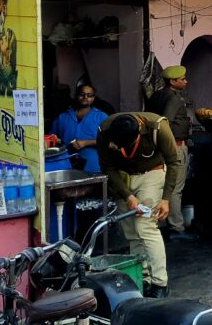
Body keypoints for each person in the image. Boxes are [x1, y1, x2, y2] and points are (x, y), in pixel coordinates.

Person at [97, 113, 182, 298]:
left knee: (145, 226)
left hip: (151, 173)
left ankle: (160, 283)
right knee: (131, 231)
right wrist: (128, 196)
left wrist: (166, 198)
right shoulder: (104, 131)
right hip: (122, 178)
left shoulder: (157, 127)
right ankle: (142, 277)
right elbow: (108, 168)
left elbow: (174, 162)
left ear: (138, 133)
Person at [145, 66, 194, 241]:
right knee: (174, 188)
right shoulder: (173, 99)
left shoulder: (157, 96)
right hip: (174, 146)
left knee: (158, 186)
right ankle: (177, 228)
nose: (186, 81)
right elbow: (164, 123)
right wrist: (171, 146)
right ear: (173, 81)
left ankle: (158, 224)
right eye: (183, 78)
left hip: (157, 148)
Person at [50, 84, 108, 173]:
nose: (85, 97)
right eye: (82, 94)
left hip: (93, 167)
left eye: (89, 95)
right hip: (66, 166)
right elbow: (51, 138)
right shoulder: (63, 117)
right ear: (76, 96)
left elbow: (109, 140)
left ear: (93, 98)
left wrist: (86, 142)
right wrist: (56, 141)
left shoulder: (101, 117)